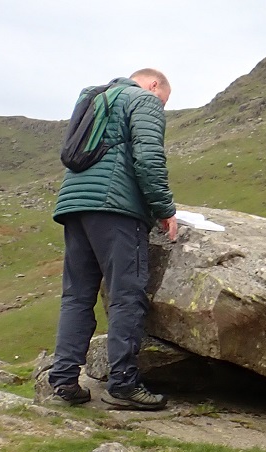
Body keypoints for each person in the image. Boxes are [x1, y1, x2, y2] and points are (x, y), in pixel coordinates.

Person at [48, 69, 178, 412]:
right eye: (163, 101)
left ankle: (63, 380)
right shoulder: (143, 99)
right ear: (153, 85)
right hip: (116, 209)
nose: (160, 107)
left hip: (74, 206)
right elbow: (148, 157)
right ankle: (123, 383)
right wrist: (164, 209)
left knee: (76, 295)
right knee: (126, 294)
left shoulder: (92, 98)